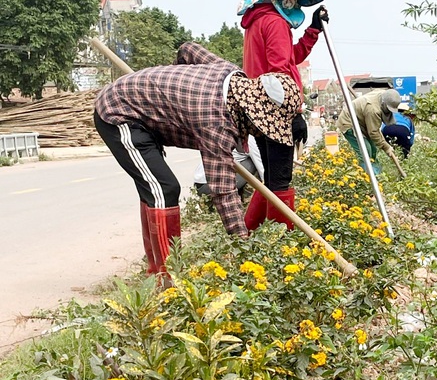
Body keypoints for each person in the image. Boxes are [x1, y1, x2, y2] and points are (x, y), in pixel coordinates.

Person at [94, 41, 300, 274]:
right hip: (118, 113)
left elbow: (188, 49)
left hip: (140, 112)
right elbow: (223, 192)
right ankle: (167, 276)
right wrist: (243, 246)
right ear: (252, 113)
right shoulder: (216, 123)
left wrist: (172, 86)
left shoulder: (229, 71)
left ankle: (155, 267)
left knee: (156, 189)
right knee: (163, 189)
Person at [237, 0, 328, 230]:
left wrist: (312, 31)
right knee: (280, 180)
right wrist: (296, 111)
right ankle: (281, 244)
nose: (294, 0)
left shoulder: (257, 22)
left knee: (270, 179)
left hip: (259, 108)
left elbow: (290, 58)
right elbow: (280, 74)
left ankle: (247, 233)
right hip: (276, 110)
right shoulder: (275, 22)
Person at [337, 88, 401, 174]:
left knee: (373, 149)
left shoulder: (383, 94)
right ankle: (368, 179)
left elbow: (375, 130)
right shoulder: (373, 109)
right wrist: (386, 147)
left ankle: (378, 174)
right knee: (365, 152)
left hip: (361, 121)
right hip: (348, 122)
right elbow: (373, 132)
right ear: (384, 104)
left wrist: (386, 147)